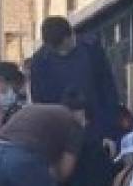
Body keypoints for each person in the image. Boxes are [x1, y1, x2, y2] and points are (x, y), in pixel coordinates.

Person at [29, 16, 122, 146]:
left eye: (65, 46)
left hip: (97, 127)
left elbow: (108, 90)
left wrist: (109, 132)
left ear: (71, 34)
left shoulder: (91, 49)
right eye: (57, 50)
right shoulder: (40, 61)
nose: (63, 52)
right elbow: (40, 103)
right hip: (62, 132)